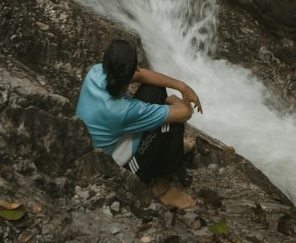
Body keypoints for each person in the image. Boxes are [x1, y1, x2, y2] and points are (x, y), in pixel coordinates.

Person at [75, 38, 203, 184]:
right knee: (173, 124)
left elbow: (142, 75)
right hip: (113, 165)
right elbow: (185, 113)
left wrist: (182, 86)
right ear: (133, 69)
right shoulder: (124, 110)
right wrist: (173, 99)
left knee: (155, 89)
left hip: (93, 143)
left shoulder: (95, 72)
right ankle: (162, 180)